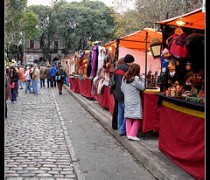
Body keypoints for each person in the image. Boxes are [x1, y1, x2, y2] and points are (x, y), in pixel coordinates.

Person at [121, 63, 145, 141]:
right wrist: (143, 79)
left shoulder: (124, 78)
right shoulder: (136, 78)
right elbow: (142, 88)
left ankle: (129, 134)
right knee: (137, 117)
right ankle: (132, 134)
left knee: (128, 117)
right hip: (135, 100)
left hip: (127, 100)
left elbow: (122, 88)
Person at [112, 54, 135, 136]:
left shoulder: (117, 68)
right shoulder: (128, 69)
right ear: (130, 62)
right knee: (126, 112)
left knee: (120, 112)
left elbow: (114, 81)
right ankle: (122, 130)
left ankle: (119, 127)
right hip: (124, 93)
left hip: (117, 92)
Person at [109, 57, 125, 130]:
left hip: (115, 91)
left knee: (117, 108)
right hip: (119, 92)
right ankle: (117, 125)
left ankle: (115, 124)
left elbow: (111, 82)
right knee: (119, 109)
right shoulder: (120, 71)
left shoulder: (116, 70)